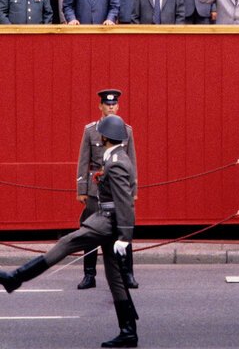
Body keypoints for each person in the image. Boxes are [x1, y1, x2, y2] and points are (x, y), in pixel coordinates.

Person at [0, 115, 139, 349]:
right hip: (107, 219)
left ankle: (16, 277)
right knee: (115, 278)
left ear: (105, 137)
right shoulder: (115, 156)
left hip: (107, 222)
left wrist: (125, 236)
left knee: (66, 242)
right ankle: (128, 332)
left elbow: (124, 202)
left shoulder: (116, 162)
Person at [76, 89, 138, 291]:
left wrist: (133, 189)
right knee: (91, 229)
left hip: (118, 188)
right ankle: (89, 274)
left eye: (113, 104)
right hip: (96, 187)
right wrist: (81, 188)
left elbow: (131, 161)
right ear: (100, 106)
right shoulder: (91, 130)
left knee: (123, 226)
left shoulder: (126, 131)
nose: (110, 107)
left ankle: (127, 273)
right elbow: (83, 161)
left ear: (118, 106)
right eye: (107, 104)